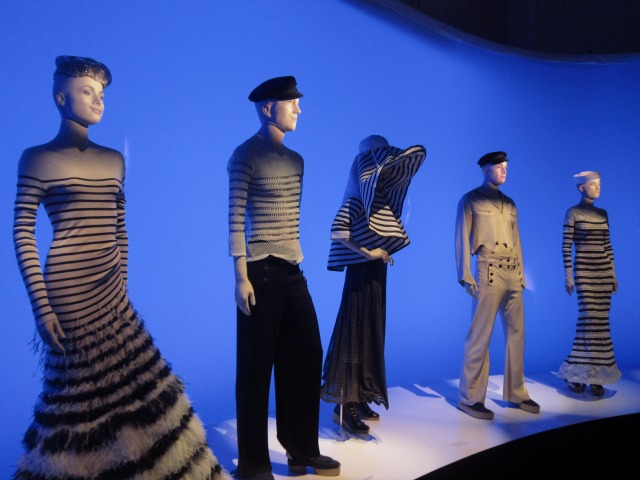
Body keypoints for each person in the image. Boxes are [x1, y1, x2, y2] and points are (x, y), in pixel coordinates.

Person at [12, 56, 228, 480]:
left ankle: (159, 469)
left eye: (102, 94)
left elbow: (120, 229)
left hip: (113, 294)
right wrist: (42, 308)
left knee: (143, 390)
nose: (98, 101)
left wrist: (121, 286)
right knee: (81, 405)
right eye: (86, 91)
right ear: (61, 97)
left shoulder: (114, 160)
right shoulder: (35, 159)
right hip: (69, 295)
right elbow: (23, 233)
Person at [227, 76, 340, 480]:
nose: (298, 110)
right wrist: (240, 276)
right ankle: (254, 462)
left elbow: (289, 220)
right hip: (259, 271)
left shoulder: (296, 161)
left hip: (292, 270)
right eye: (291, 103)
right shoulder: (245, 155)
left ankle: (302, 450)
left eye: (298, 103)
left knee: (307, 357)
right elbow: (235, 218)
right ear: (267, 108)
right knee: (255, 369)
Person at [321, 135, 426, 434]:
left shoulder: (377, 204)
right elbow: (338, 231)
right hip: (361, 275)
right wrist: (369, 251)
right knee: (355, 333)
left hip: (375, 275)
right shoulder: (356, 199)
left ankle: (360, 395)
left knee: (370, 333)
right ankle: (345, 404)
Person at [454, 151, 540, 420]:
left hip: (513, 270)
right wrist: (464, 272)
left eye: (506, 167)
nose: (504, 170)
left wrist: (522, 275)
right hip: (487, 269)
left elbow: (517, 239)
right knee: (480, 335)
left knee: (517, 333)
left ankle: (517, 391)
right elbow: (461, 237)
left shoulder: (511, 204)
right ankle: (470, 397)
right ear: (485, 169)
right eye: (499, 166)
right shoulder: (471, 200)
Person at [556, 171, 621, 396]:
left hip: (603, 273)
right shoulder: (572, 212)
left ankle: (596, 376)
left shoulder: (603, 214)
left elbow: (608, 246)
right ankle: (577, 371)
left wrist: (613, 275)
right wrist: (569, 276)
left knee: (601, 325)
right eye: (593, 184)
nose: (597, 187)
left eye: (599, 184)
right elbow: (566, 246)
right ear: (581, 187)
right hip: (585, 273)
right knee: (588, 322)